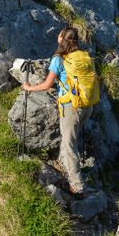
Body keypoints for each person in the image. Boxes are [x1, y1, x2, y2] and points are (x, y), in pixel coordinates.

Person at [21, 27, 93, 194]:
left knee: (69, 145)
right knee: (69, 140)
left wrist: (29, 88)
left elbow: (47, 85)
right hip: (87, 105)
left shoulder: (58, 59)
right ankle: (63, 164)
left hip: (71, 107)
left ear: (62, 39)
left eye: (59, 34)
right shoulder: (83, 56)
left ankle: (77, 186)